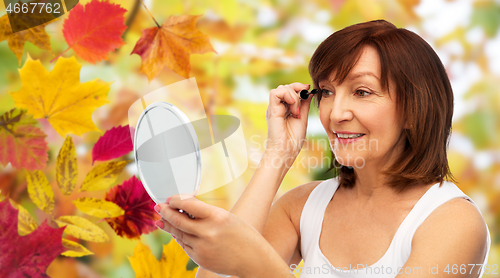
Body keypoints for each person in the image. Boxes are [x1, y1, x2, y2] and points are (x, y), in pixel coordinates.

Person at [154, 20, 492, 278]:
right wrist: (277, 155)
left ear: (414, 109)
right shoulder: (304, 206)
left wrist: (261, 266)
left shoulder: (453, 221)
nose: (335, 113)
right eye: (327, 91)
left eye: (362, 91)